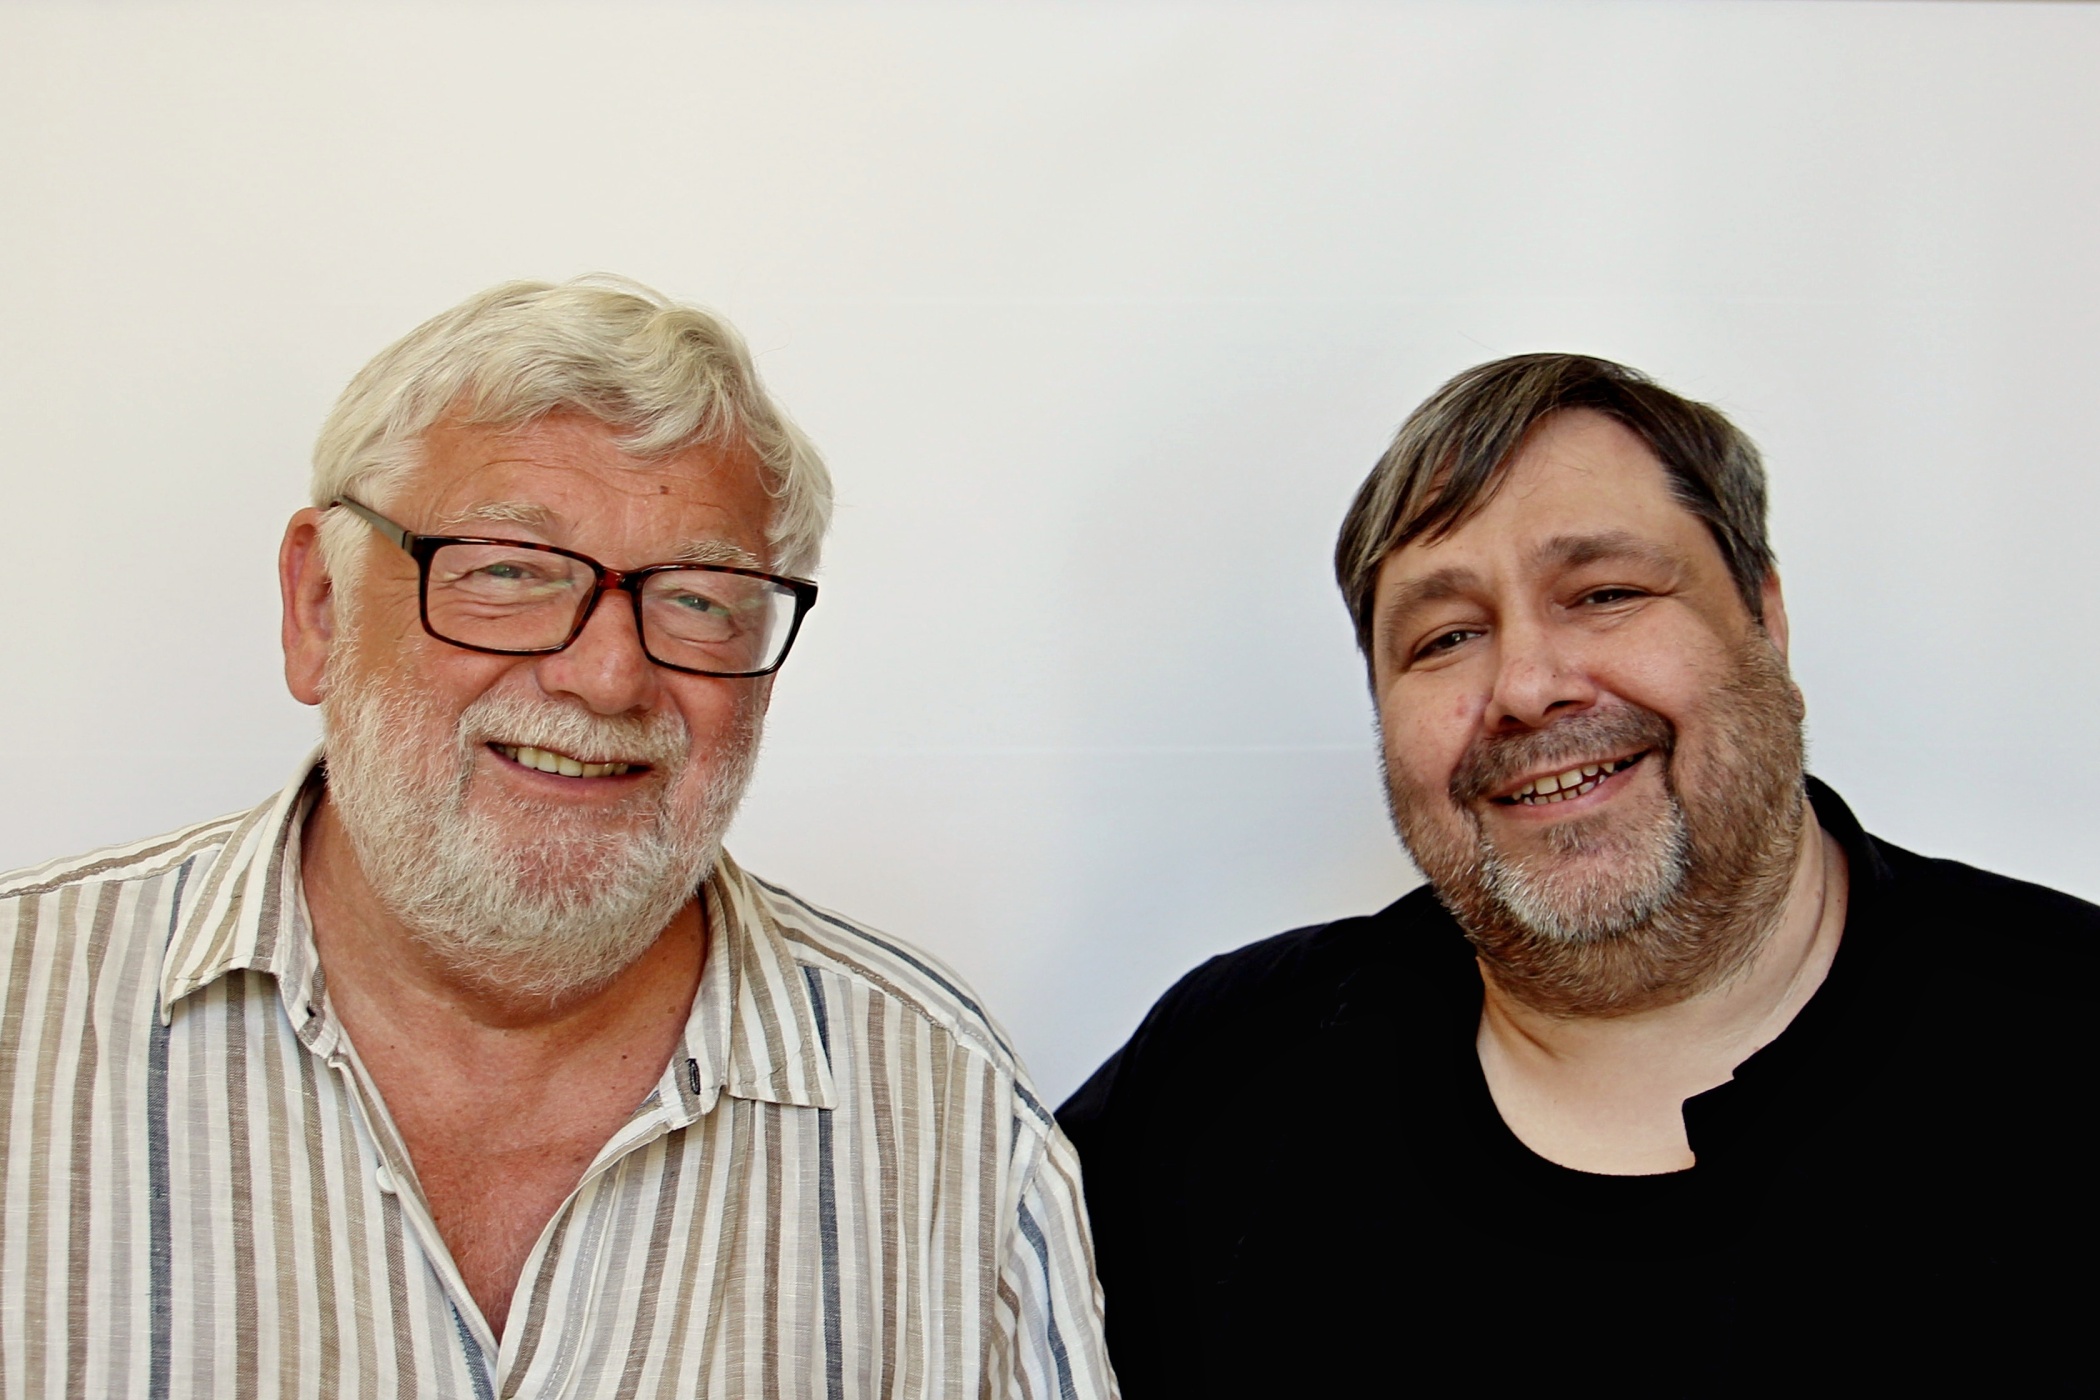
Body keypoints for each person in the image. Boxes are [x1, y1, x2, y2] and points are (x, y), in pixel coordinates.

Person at [0, 277, 1114, 1399]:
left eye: (699, 598)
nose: (608, 673)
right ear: (319, 606)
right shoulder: (20, 1016)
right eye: (509, 570)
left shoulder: (955, 1121)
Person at [1059, 352, 2094, 1395]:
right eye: (1445, 637)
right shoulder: (1217, 1078)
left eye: (1605, 593)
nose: (1525, 685)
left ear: (1765, 621)